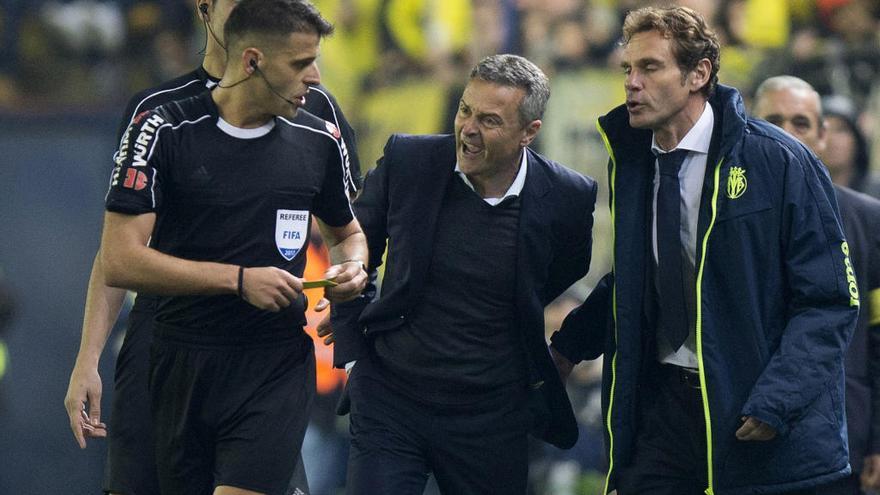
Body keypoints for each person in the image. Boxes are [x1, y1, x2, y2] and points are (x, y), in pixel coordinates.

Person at [549, 6, 858, 495]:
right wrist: (568, 347)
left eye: (650, 67)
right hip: (661, 412)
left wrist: (778, 400)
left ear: (699, 73)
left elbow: (829, 299)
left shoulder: (778, 160)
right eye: (628, 69)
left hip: (750, 412)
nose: (632, 82)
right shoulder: (632, 162)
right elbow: (639, 278)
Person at [62, 0, 361, 493]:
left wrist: (348, 283)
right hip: (168, 336)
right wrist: (88, 358)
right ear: (206, 10)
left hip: (269, 344)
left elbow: (348, 222)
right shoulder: (157, 114)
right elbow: (116, 252)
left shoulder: (314, 107)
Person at [330, 53, 597, 495]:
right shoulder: (410, 160)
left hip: (490, 417)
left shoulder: (568, 196)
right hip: (390, 399)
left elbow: (566, 271)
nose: (468, 129)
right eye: (464, 110)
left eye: (489, 121)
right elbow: (352, 242)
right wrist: (354, 343)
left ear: (529, 132)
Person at [752, 75, 880, 495]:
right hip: (746, 433)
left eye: (801, 123)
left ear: (823, 135)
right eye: (772, 119)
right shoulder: (721, 215)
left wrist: (878, 439)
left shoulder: (868, 220)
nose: (786, 134)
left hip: (843, 436)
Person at [818, 94, 880, 199]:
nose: (831, 139)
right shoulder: (803, 190)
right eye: (824, 130)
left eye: (841, 130)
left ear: (856, 138)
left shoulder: (876, 190)